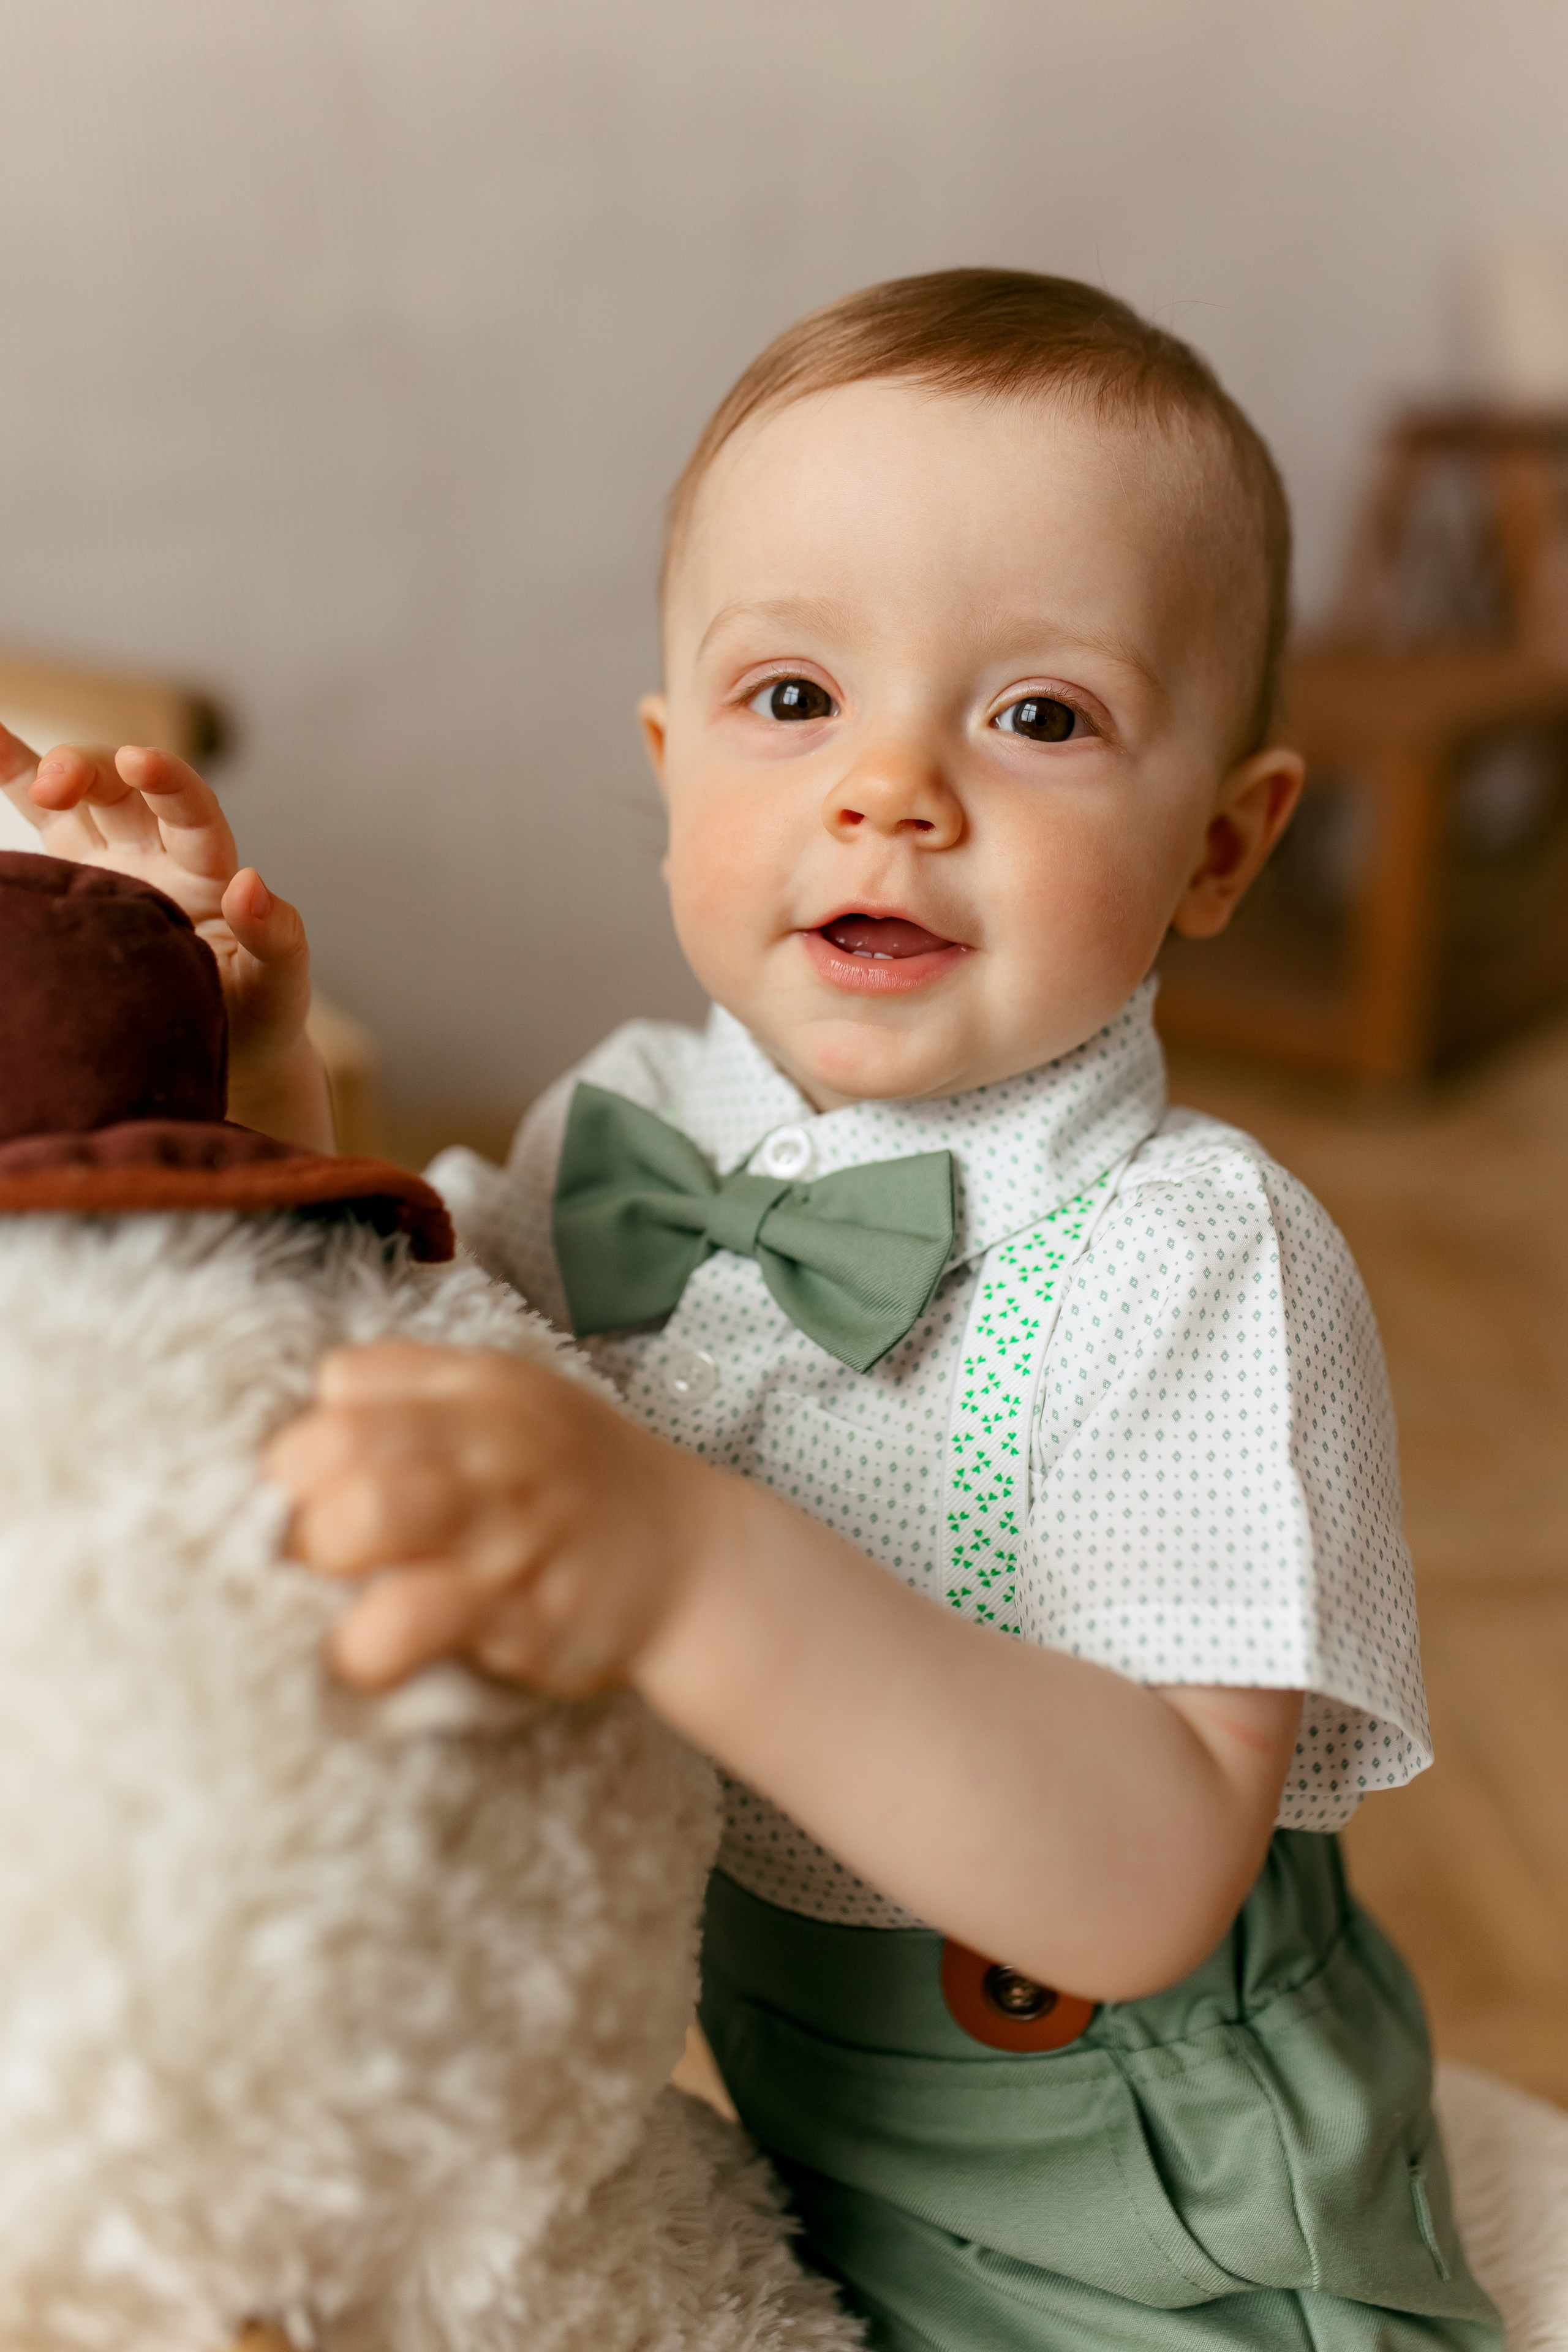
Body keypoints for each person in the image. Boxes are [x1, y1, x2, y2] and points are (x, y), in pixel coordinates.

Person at [0, 270, 1501, 2351]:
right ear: (674, 752)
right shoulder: (629, 1119)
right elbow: (422, 1357)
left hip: (1153, 2218)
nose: (891, 788)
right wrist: (257, 1087)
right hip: (757, 2120)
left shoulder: (1193, 1258)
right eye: (794, 699)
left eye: (1040, 717)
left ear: (1223, 847)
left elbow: (1146, 1882)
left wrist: (684, 1559)